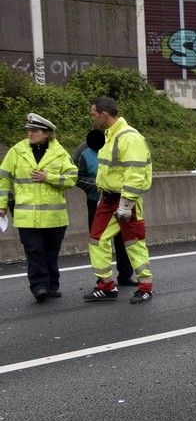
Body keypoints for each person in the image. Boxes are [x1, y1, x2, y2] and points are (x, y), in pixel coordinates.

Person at [84, 97, 155, 303]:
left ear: (104, 114)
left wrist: (127, 203)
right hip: (107, 198)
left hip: (125, 200)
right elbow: (110, 168)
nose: (92, 117)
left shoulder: (129, 137)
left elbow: (137, 172)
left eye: (93, 113)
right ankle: (106, 285)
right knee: (97, 240)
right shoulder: (110, 135)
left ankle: (145, 286)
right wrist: (101, 185)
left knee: (133, 242)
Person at [0, 113, 78, 302]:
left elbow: (72, 178)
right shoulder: (17, 151)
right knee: (34, 251)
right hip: (27, 216)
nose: (30, 133)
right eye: (28, 130)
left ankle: (52, 285)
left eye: (35, 131)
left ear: (47, 133)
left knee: (51, 253)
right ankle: (39, 287)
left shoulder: (59, 153)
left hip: (54, 217)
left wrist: (48, 177)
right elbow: (4, 178)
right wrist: (1, 205)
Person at [72, 128, 138, 287]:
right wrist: (95, 186)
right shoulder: (83, 151)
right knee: (100, 241)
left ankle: (125, 275)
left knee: (123, 239)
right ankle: (103, 278)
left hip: (120, 200)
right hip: (97, 202)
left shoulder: (117, 147)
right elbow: (76, 176)